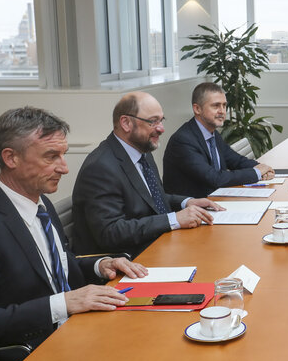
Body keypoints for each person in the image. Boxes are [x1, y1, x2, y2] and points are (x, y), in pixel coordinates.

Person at [0, 107, 147, 361]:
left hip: (74, 334)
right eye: (51, 156)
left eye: (62, 155)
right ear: (10, 157)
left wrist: (101, 265)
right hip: (29, 360)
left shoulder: (41, 203)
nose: (64, 167)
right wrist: (62, 303)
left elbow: (56, 266)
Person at [71, 92, 224, 258]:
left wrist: (187, 202)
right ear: (126, 123)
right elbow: (110, 232)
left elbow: (151, 198)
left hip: (158, 247)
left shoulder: (142, 152)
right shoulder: (100, 167)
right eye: (153, 121)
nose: (161, 128)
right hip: (128, 263)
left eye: (161, 120)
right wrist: (173, 220)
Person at [163, 82, 274, 198]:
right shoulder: (183, 140)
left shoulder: (213, 134)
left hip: (216, 200)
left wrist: (262, 168)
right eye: (216, 106)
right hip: (192, 209)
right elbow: (214, 178)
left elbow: (236, 160)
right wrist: (256, 172)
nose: (222, 111)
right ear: (197, 109)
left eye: (224, 105)